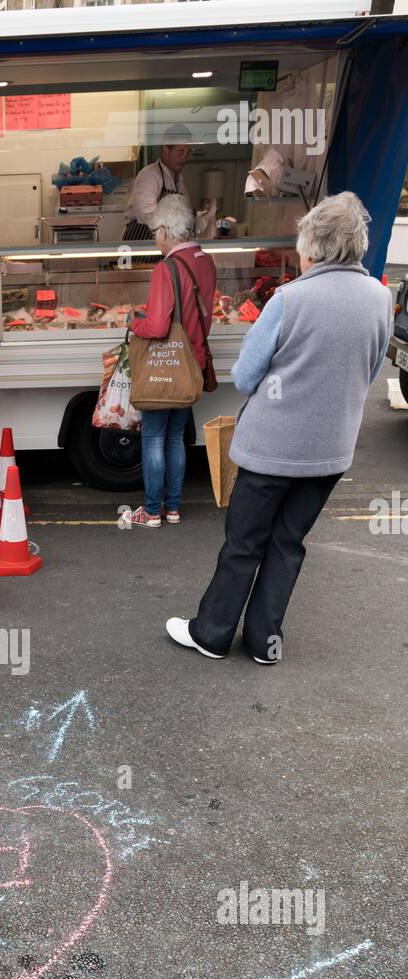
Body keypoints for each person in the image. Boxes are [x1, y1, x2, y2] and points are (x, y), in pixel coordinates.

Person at [166, 191, 392, 664]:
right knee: (288, 543)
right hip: (330, 451)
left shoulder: (290, 299)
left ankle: (211, 633)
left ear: (312, 245)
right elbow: (369, 373)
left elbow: (246, 377)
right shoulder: (379, 297)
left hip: (272, 449)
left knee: (244, 543)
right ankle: (265, 642)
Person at [126, 193, 216, 527]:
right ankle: (173, 508)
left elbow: (158, 326)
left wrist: (133, 321)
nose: (155, 239)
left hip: (164, 364)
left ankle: (151, 511)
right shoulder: (205, 261)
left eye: (154, 232)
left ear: (164, 230)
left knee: (152, 437)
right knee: (176, 436)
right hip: (191, 364)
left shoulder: (166, 268)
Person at [124, 125, 195, 242]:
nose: (184, 158)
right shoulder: (149, 175)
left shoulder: (179, 181)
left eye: (187, 152)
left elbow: (185, 212)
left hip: (164, 241)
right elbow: (145, 215)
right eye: (181, 152)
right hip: (141, 240)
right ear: (166, 151)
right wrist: (173, 231)